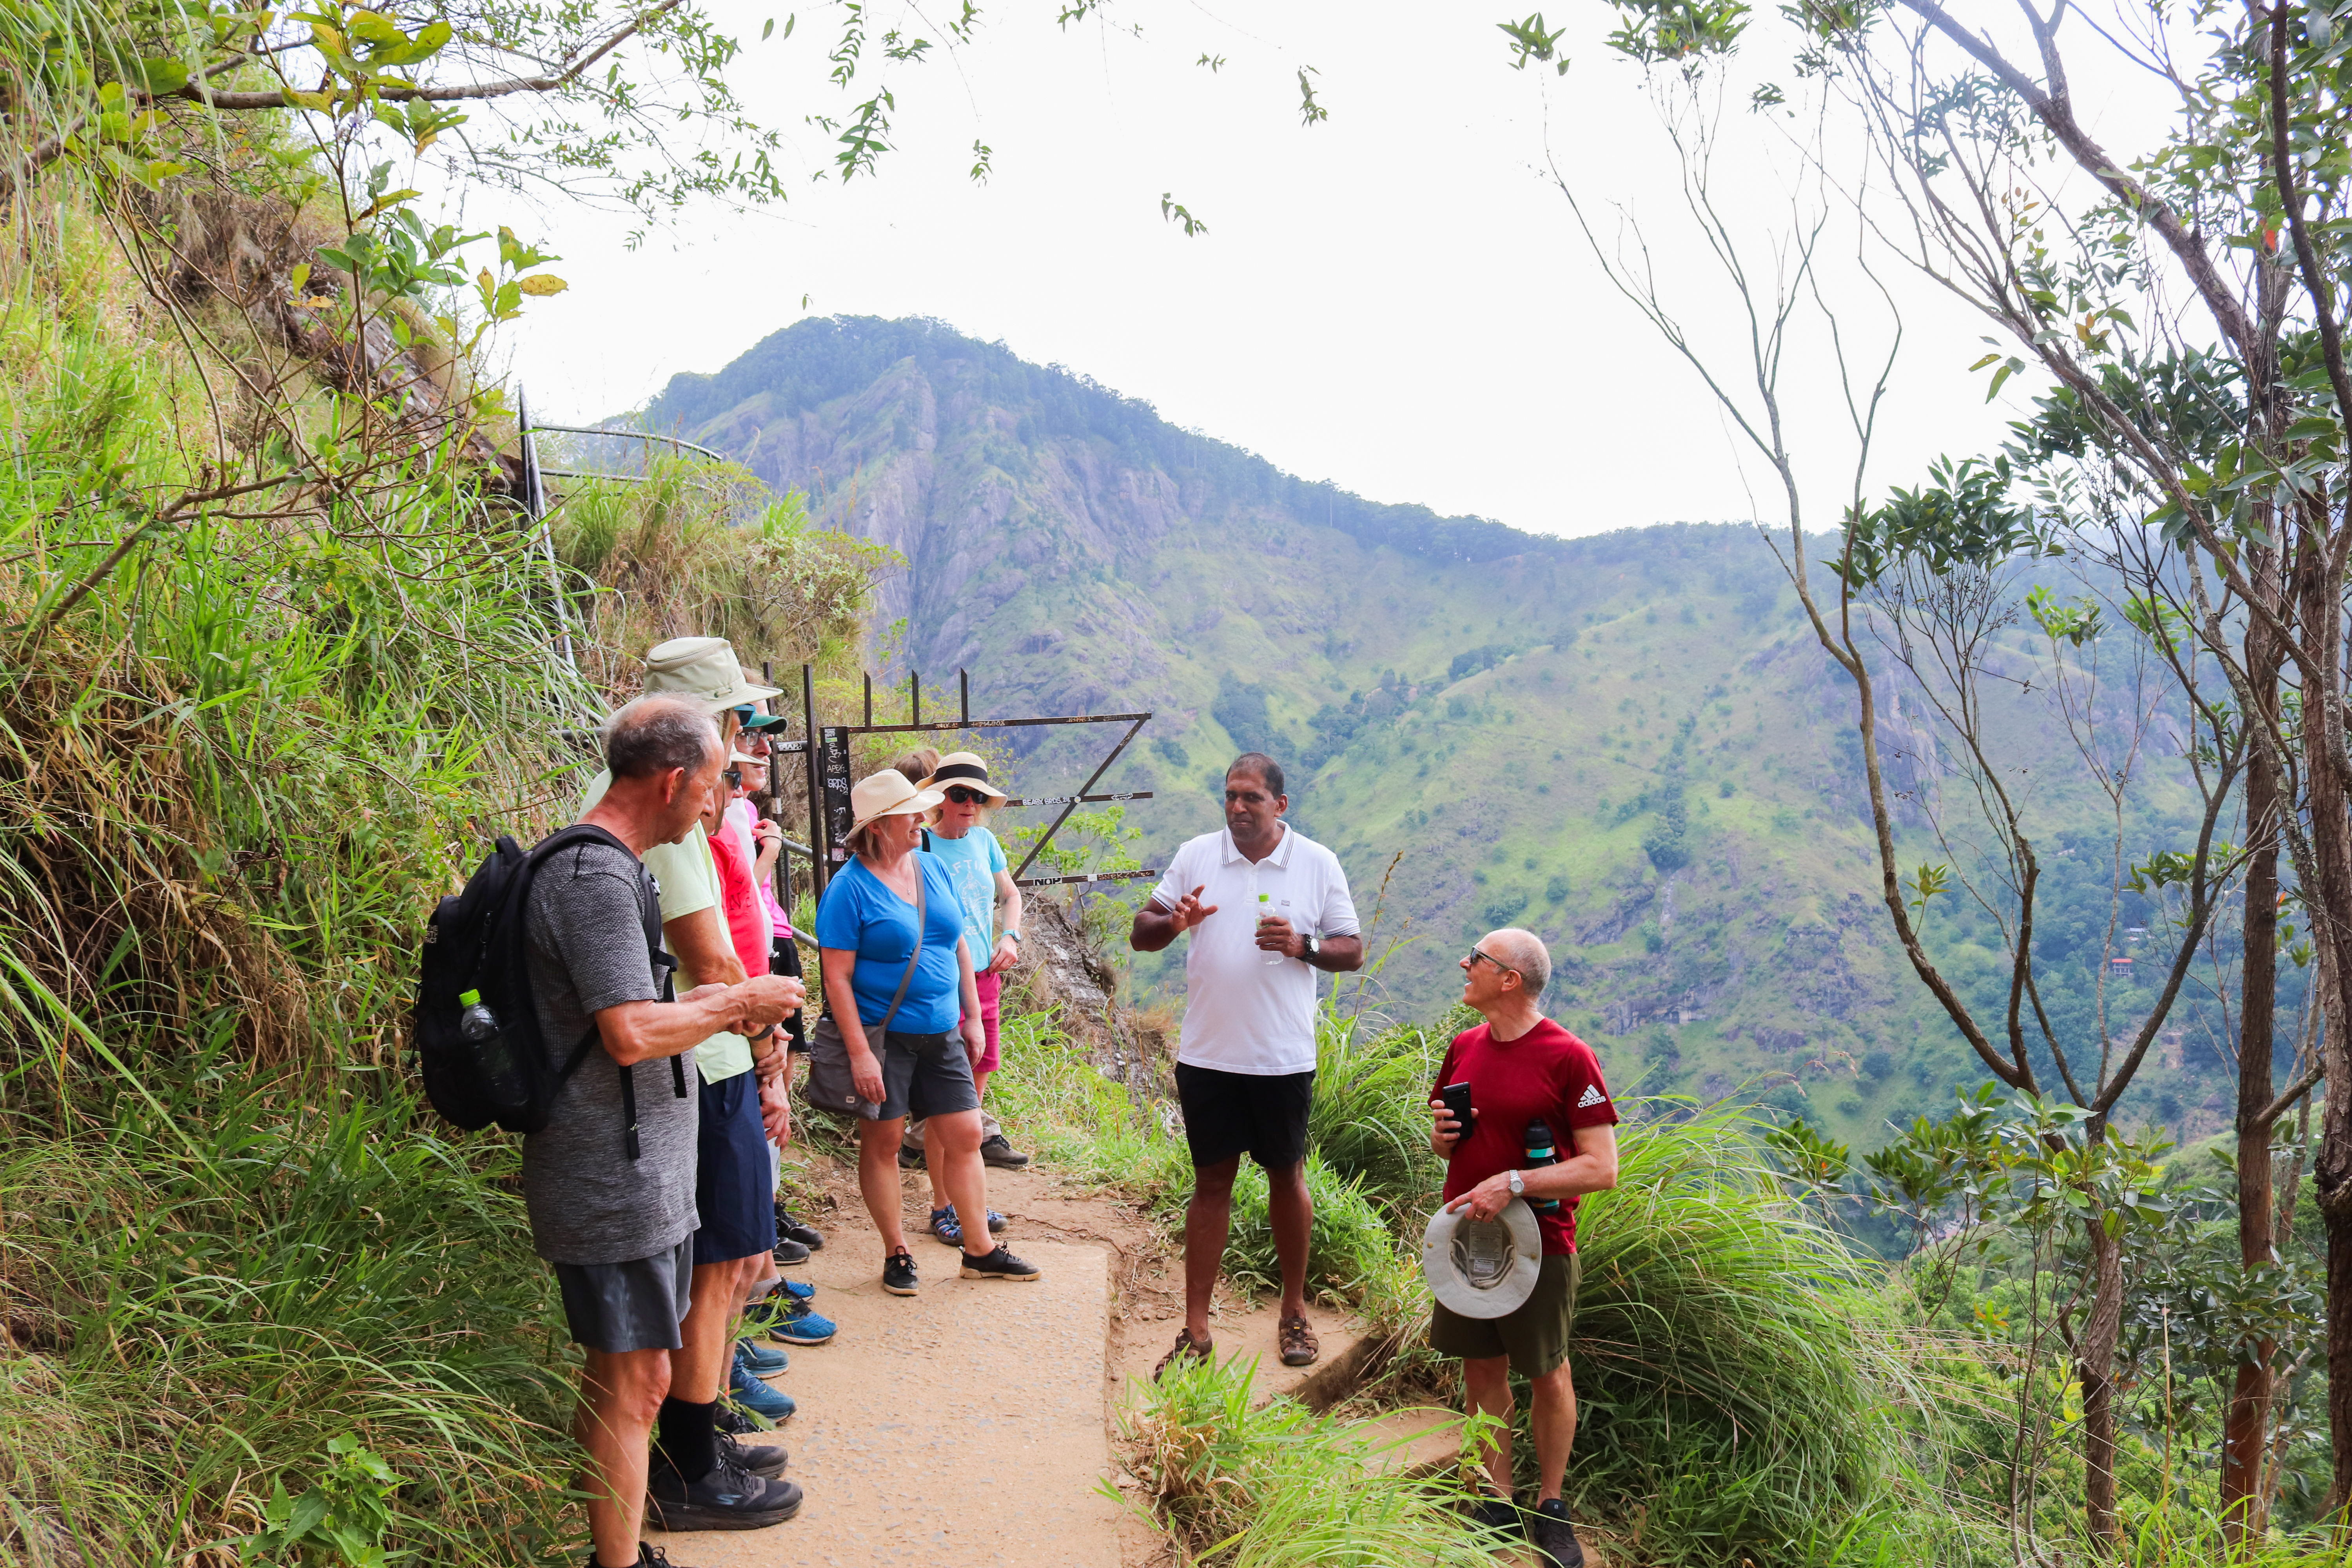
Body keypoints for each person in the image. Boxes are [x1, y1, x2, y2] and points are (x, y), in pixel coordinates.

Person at [524, 695, 806, 1563]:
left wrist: (721, 1005)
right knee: (641, 1377)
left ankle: (603, 1527)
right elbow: (630, 1031)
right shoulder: (596, 878)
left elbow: (631, 1011)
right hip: (609, 1169)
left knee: (620, 1371)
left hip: (631, 1161)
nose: (718, 805)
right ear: (676, 779)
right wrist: (737, 1002)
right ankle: (620, 1556)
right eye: (715, 785)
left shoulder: (612, 867)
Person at [579, 639, 807, 1486]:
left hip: (690, 1059)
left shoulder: (631, 801)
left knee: (719, 1259)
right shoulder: (664, 813)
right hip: (700, 1063)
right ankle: (690, 1461)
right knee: (719, 1264)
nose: (745, 733)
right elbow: (709, 957)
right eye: (737, 715)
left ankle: (692, 1442)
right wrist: (761, 1042)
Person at [1129, 753, 1362, 1376]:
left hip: (1282, 1057)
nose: (1237, 807)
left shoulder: (1317, 863)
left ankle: (1293, 1314)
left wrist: (1302, 946)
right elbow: (1141, 931)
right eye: (1230, 795)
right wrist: (1175, 922)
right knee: (1211, 1186)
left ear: (1279, 805)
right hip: (1208, 1054)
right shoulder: (1198, 855)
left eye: (1251, 798)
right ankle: (1196, 1332)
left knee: (1287, 1178)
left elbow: (1352, 949)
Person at [1426, 928, 1619, 1568]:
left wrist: (1515, 1181)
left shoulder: (1570, 1057)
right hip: (1466, 1238)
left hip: (1542, 1245)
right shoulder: (1463, 1047)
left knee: (1548, 1374)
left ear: (1509, 979)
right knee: (1481, 1366)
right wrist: (1444, 1139)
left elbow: (1601, 1169)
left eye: (1476, 959)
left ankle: (1553, 1506)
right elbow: (1445, 1147)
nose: (1465, 964)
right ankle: (1497, 1499)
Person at [812, 768, 1041, 1294]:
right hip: (884, 1035)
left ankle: (979, 1249)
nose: (923, 818)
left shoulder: (928, 868)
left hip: (942, 1031)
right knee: (886, 1141)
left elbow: (958, 941)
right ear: (879, 825)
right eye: (911, 813)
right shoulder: (849, 890)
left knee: (963, 1134)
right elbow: (837, 979)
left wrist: (971, 1016)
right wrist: (860, 1055)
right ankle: (897, 1250)